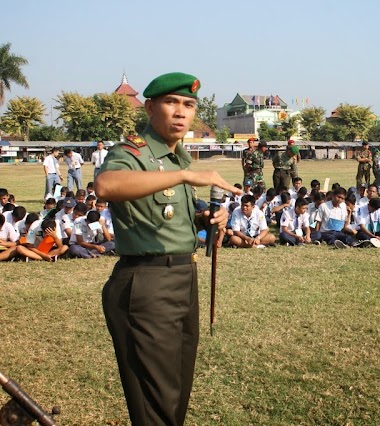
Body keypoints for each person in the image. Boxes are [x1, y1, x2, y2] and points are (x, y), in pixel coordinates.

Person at [96, 72, 240, 426]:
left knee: (174, 394)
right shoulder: (133, 152)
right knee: (156, 403)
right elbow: (106, 185)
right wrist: (185, 177)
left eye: (188, 105)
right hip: (146, 283)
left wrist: (210, 218)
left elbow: (178, 217)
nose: (180, 112)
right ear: (149, 107)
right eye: (171, 103)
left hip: (181, 277)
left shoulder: (178, 160)